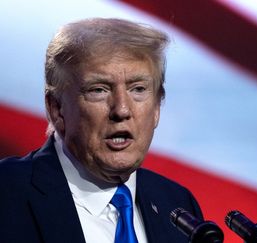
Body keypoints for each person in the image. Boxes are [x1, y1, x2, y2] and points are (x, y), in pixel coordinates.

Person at [0, 18, 203, 243]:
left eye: (138, 89)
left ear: (156, 107)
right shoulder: (7, 193)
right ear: (56, 108)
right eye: (99, 90)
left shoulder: (177, 204)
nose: (122, 110)